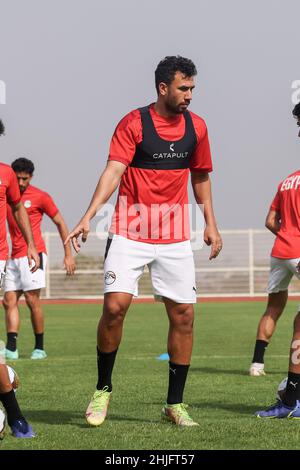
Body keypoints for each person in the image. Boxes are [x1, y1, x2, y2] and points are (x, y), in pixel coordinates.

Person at [66, 55, 222, 427]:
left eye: (193, 89)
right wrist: (89, 215)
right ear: (163, 88)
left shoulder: (197, 128)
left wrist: (211, 224)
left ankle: (175, 404)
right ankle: (103, 389)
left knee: (184, 315)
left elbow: (200, 176)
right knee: (115, 308)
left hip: (174, 236)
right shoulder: (133, 123)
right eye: (184, 88)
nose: (189, 96)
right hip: (129, 231)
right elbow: (114, 170)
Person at [3, 157, 76, 360]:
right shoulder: (8, 195)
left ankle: (39, 347)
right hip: (13, 257)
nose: (21, 183)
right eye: (17, 178)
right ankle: (11, 348)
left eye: (25, 178)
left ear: (31, 177)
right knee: (8, 301)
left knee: (32, 300)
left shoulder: (41, 196)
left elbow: (60, 222)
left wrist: (68, 254)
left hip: (33, 255)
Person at [249, 102, 300, 378]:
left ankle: (257, 364)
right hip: (299, 252)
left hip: (280, 251)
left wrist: (286, 234)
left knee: (273, 307)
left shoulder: (286, 182)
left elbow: (270, 221)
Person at [0, 119, 38, 437]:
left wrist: (31, 245)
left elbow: (17, 209)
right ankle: (6, 371)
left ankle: (15, 417)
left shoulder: (6, 174)